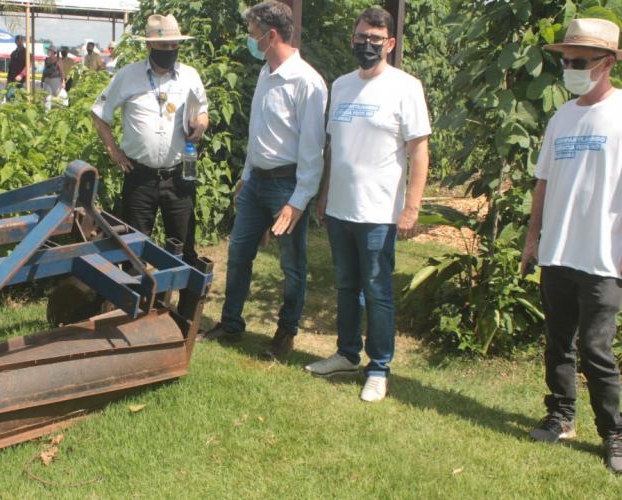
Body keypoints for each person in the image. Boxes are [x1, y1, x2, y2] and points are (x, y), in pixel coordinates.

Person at [303, 7, 431, 403]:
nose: (367, 46)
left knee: (377, 291)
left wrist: (411, 207)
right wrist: (324, 197)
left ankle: (379, 368)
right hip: (341, 209)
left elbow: (419, 151)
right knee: (346, 286)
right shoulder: (341, 86)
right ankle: (346, 354)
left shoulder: (405, 87)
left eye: (375, 40)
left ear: (390, 44)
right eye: (361, 38)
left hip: (379, 214)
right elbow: (333, 149)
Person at [519, 17, 622, 473]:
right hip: (558, 252)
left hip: (603, 254)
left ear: (607, 64)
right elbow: (543, 181)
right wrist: (532, 236)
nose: (569, 69)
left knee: (597, 351)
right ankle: (561, 416)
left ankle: (615, 434)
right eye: (565, 60)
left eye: (578, 62)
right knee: (557, 342)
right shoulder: (562, 115)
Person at [198, 1, 328, 361]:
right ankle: (231, 323)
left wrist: (298, 201)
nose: (250, 40)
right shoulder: (265, 73)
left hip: (287, 187)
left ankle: (285, 333)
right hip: (256, 184)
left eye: (254, 34)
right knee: (239, 253)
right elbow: (259, 132)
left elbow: (313, 148)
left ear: (272, 36)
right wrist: (246, 175)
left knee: (292, 265)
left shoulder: (307, 82)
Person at [91, 14, 209, 314]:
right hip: (139, 176)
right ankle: (132, 309)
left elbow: (203, 113)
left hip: (179, 176)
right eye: (163, 44)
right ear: (149, 46)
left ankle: (182, 313)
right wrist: (113, 150)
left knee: (182, 244)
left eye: (174, 44)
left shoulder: (190, 76)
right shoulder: (128, 76)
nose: (169, 49)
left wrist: (200, 126)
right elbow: (99, 114)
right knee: (131, 245)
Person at [5, 35, 26, 102]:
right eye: (18, 41)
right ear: (16, 42)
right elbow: (10, 67)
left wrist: (21, 75)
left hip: (22, 79)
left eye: (21, 40)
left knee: (25, 97)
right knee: (9, 96)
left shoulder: (26, 52)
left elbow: (28, 66)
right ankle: (13, 110)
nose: (20, 42)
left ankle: (25, 110)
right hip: (13, 79)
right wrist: (8, 79)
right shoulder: (13, 53)